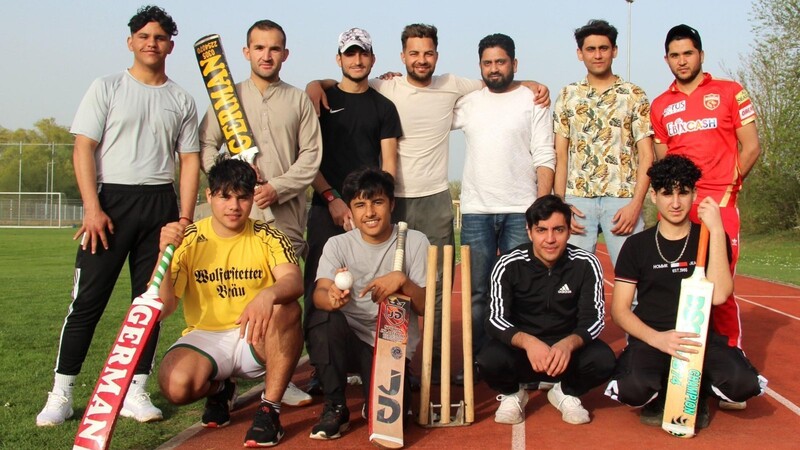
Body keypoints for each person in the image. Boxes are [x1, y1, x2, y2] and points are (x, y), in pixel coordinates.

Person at [307, 23, 549, 382]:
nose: (422, 60)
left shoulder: (454, 85)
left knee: (433, 288)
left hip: (435, 198)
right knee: (386, 280)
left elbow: (495, 82)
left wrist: (529, 84)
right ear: (402, 56)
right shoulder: (384, 85)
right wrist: (315, 85)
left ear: (437, 55)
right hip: (394, 201)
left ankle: (435, 363)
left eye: (428, 53)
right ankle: (382, 359)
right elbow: (344, 81)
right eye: (414, 54)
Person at [36, 5, 200, 427]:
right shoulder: (106, 87)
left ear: (170, 45)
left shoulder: (181, 98)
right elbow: (83, 148)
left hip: (160, 206)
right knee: (87, 301)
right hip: (111, 206)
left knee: (148, 304)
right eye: (144, 36)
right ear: (130, 42)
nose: (152, 43)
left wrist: (182, 218)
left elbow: (189, 162)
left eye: (160, 37)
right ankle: (62, 392)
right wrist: (92, 207)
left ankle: (135, 390)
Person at [200, 19, 321, 406]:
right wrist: (231, 170)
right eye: (259, 47)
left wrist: (277, 187)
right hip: (238, 217)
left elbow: (312, 157)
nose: (267, 55)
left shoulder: (299, 100)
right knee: (236, 293)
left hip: (284, 216)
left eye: (274, 48)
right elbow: (205, 148)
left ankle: (280, 379)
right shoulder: (226, 99)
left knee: (283, 298)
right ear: (246, 52)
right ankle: (227, 376)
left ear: (285, 54)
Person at [603, 155, 766, 429]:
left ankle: (699, 386)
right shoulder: (636, 245)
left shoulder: (709, 236)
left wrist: (715, 228)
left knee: (742, 385)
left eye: (683, 192)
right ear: (653, 196)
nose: (676, 202)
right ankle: (664, 383)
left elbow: (719, 295)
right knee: (633, 389)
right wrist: (659, 339)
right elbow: (619, 311)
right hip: (653, 338)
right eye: (667, 193)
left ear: (695, 194)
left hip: (699, 339)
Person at [157, 156, 304, 448]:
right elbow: (164, 307)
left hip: (256, 335)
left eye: (242, 197)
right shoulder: (188, 239)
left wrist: (268, 294)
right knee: (175, 386)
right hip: (206, 335)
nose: (234, 206)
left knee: (287, 308)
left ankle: (269, 410)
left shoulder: (269, 235)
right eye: (224, 197)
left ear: (253, 199)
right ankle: (220, 388)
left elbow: (293, 281)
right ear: (209, 195)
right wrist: (163, 254)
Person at [651, 25, 761, 359]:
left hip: (719, 204)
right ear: (667, 59)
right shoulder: (659, 106)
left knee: (719, 288)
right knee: (674, 284)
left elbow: (752, 146)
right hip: (678, 205)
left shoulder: (730, 92)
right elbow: (662, 160)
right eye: (675, 55)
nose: (682, 61)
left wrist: (728, 188)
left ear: (700, 54)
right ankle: (677, 363)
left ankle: (729, 360)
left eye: (688, 53)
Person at [451, 33, 555, 365]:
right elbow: (428, 106)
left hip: (520, 211)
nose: (494, 69)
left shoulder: (532, 99)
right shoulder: (468, 103)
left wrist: (540, 207)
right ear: (479, 66)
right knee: (477, 293)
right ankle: (478, 361)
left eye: (501, 62)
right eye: (487, 63)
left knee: (518, 291)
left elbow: (544, 154)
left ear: (514, 63)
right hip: (476, 212)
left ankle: (519, 357)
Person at [305, 168, 428, 440]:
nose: (369, 212)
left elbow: (425, 307)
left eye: (377, 202)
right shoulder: (337, 245)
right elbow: (319, 293)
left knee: (393, 427)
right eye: (360, 205)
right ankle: (335, 407)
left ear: (392, 204)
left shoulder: (415, 241)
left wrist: (402, 281)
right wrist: (332, 298)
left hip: (391, 345)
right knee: (324, 317)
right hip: (347, 340)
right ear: (350, 209)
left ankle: (372, 400)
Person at [477, 195, 615, 425]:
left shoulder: (585, 263)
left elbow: (595, 319)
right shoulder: (508, 264)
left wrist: (568, 344)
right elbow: (495, 318)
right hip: (524, 354)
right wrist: (528, 342)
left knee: (604, 361)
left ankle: (566, 391)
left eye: (558, 230)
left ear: (569, 231)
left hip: (565, 355)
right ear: (529, 232)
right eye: (541, 230)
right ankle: (513, 393)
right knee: (488, 359)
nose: (550, 239)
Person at [304, 26, 401, 334]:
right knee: (320, 288)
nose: (357, 60)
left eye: (363, 53)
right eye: (350, 54)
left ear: (372, 59)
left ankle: (377, 356)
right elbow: (309, 158)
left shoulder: (384, 107)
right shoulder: (320, 99)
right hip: (325, 207)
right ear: (339, 59)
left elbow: (388, 165)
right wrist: (333, 199)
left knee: (366, 284)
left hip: (366, 212)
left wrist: (372, 210)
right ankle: (323, 364)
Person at [553, 19, 654, 266]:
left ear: (614, 51)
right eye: (590, 49)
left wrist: (636, 204)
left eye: (603, 48)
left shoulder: (633, 94)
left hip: (622, 200)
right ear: (580, 53)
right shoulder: (568, 95)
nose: (597, 55)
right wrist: (561, 203)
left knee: (631, 276)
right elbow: (561, 155)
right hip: (577, 201)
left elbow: (647, 156)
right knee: (572, 279)